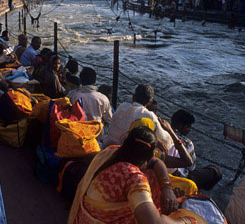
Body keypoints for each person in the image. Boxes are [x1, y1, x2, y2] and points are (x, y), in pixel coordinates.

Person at [68, 126, 203, 224]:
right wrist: (187, 220)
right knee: (152, 177)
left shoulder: (110, 152)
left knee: (152, 175)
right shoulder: (134, 178)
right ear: (150, 155)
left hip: (84, 218)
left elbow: (156, 162)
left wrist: (166, 187)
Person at [103, 84, 172, 151]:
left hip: (107, 146)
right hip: (124, 152)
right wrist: (169, 129)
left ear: (134, 97)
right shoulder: (149, 115)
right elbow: (166, 141)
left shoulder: (122, 106)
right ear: (150, 103)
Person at [168, 110, 222, 191]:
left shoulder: (162, 133)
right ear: (180, 126)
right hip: (180, 179)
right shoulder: (187, 143)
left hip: (165, 173)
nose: (190, 129)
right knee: (216, 171)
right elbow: (191, 167)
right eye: (188, 126)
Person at [69, 67, 113, 140]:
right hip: (97, 136)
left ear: (81, 80)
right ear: (94, 81)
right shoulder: (103, 98)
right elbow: (109, 120)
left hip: (78, 134)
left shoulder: (73, 95)